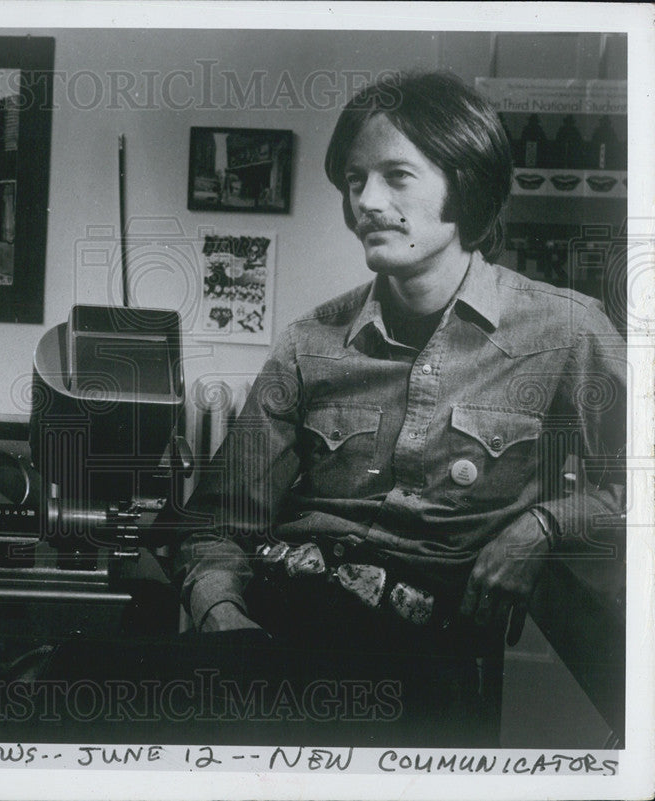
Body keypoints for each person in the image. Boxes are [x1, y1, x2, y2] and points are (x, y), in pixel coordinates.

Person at [173, 71, 626, 744]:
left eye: (396, 176)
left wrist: (544, 523)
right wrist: (222, 619)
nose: (367, 203)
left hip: (434, 674)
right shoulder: (308, 343)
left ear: (465, 182)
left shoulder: (567, 331)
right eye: (354, 181)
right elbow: (215, 525)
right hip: (282, 640)